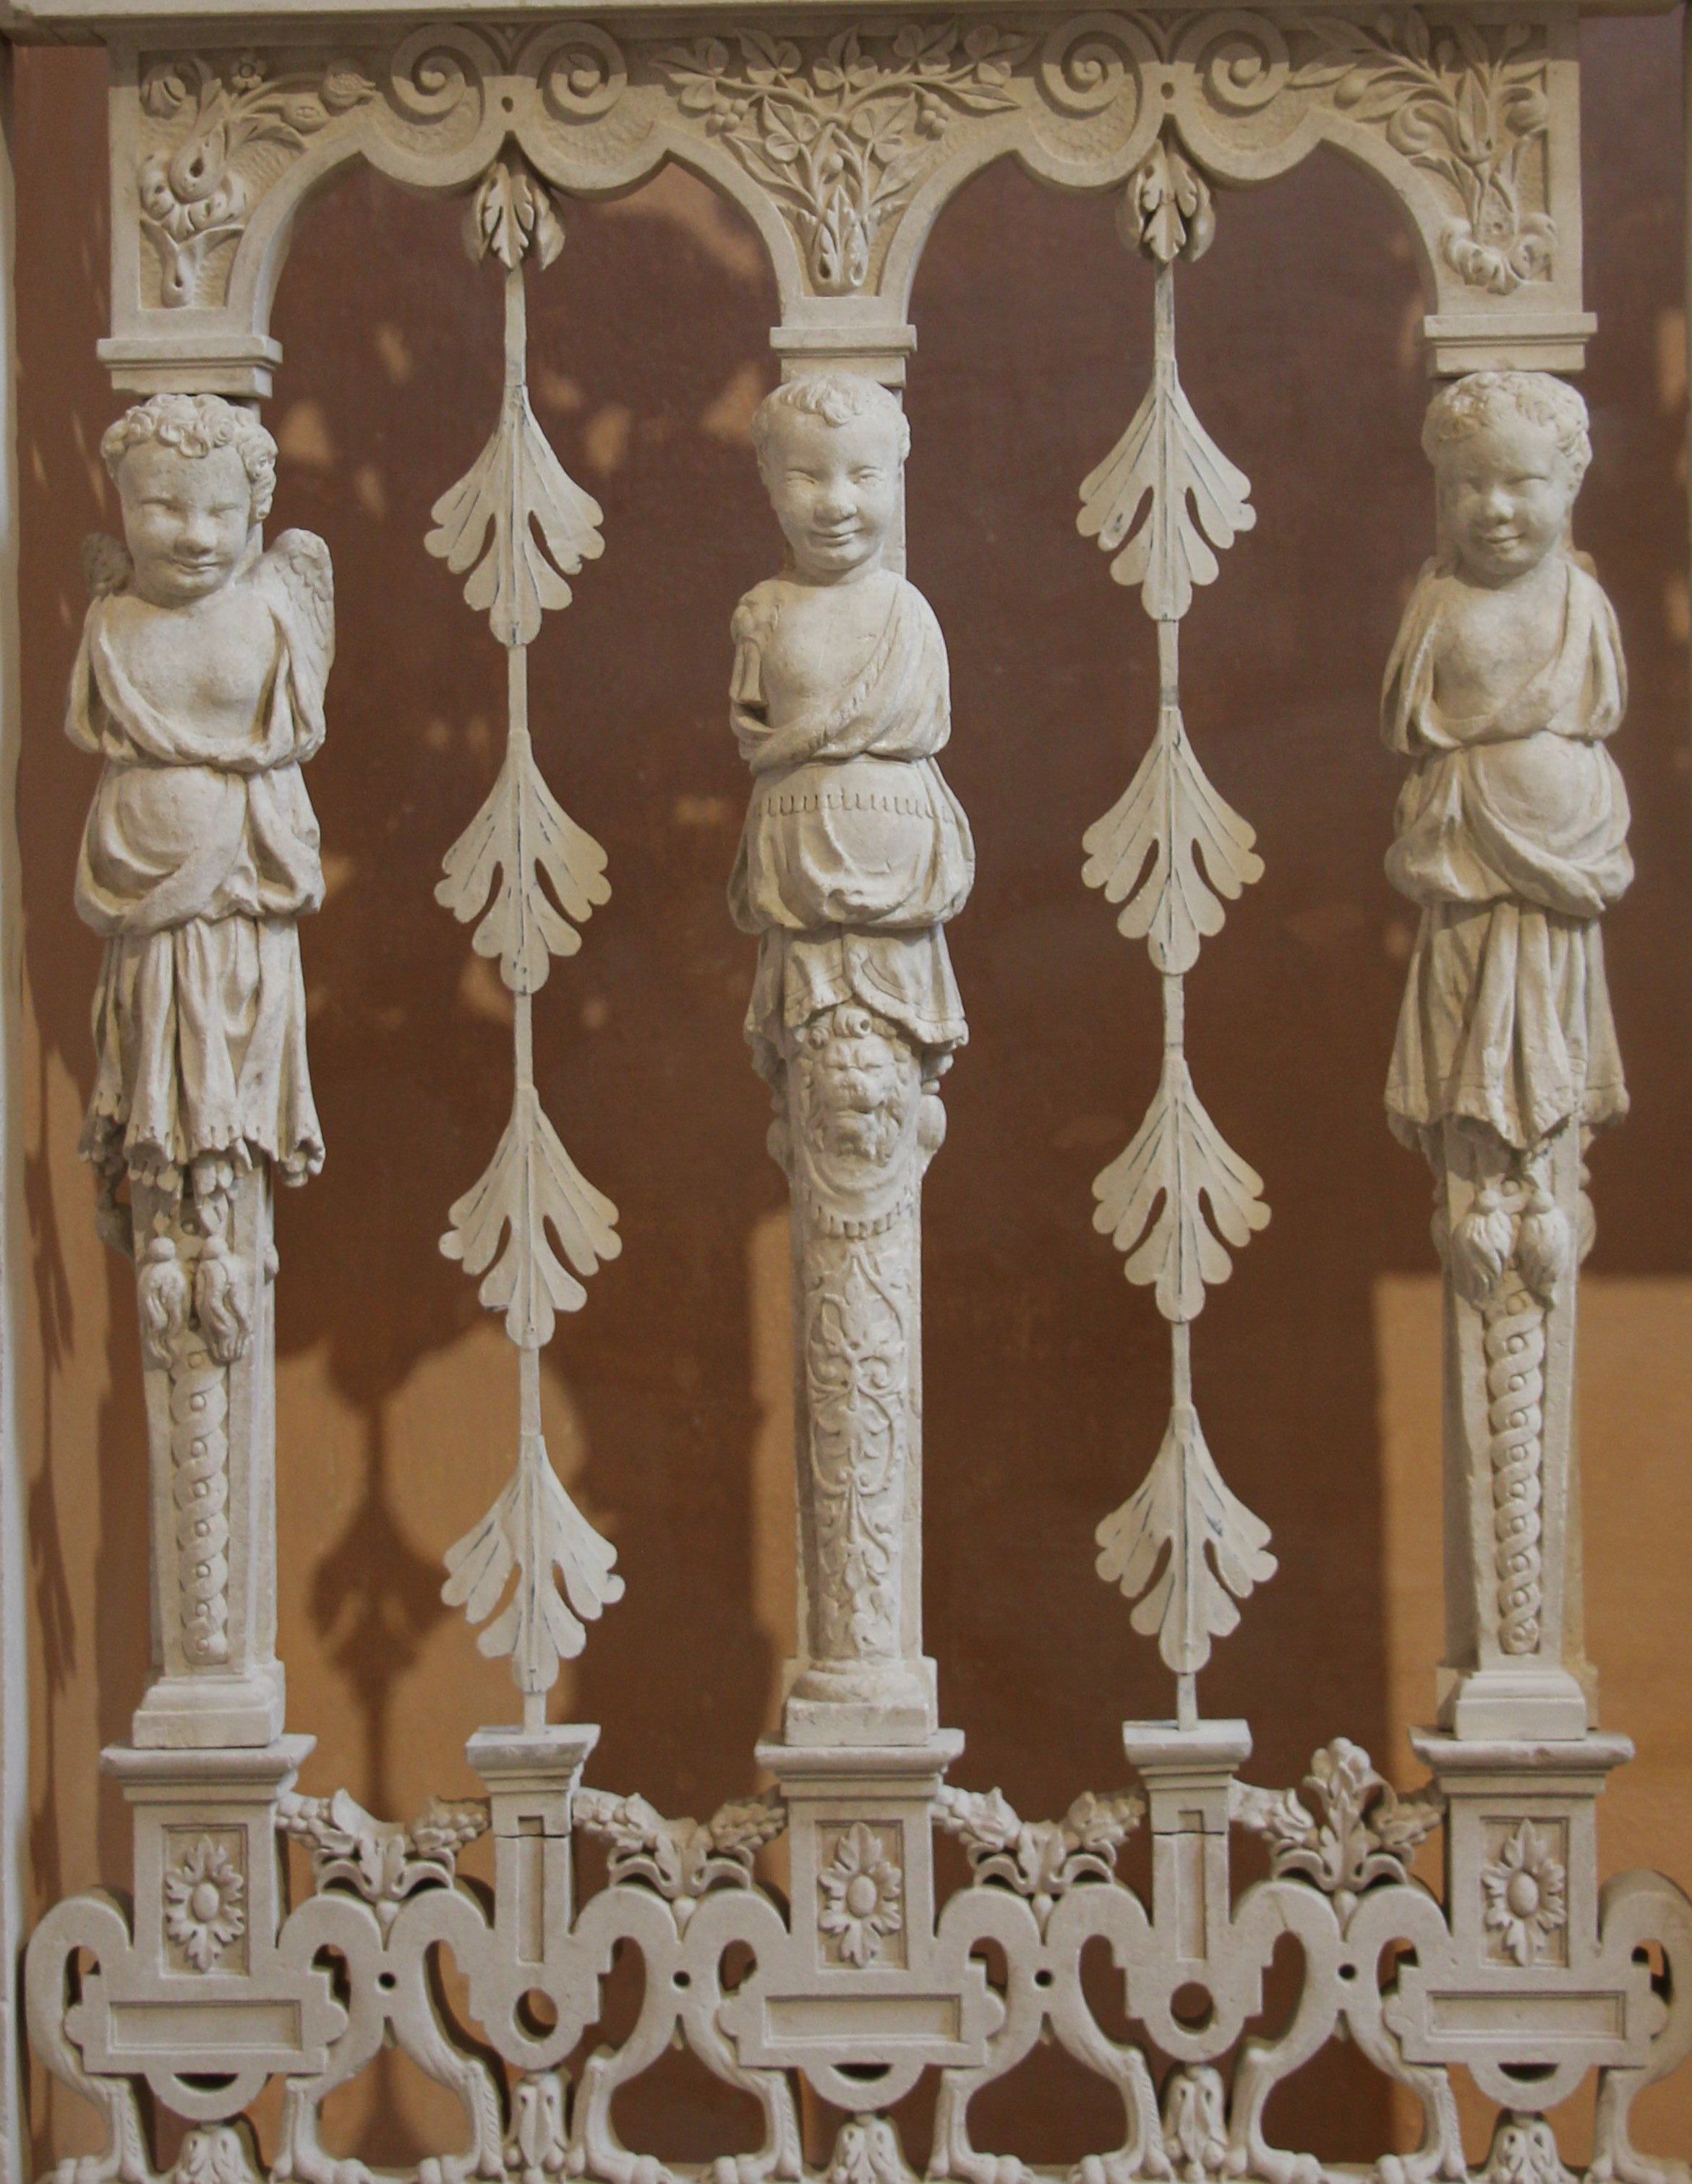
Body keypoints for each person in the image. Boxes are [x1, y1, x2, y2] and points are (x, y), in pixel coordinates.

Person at [69, 393, 333, 1219]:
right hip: (139, 879)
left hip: (246, 876)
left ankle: (222, 1197)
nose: (195, 535)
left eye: (221, 512)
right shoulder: (111, 617)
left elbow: (293, 738)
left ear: (254, 512)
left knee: (236, 1024)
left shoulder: (270, 608)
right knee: (151, 1033)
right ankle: (166, 1197)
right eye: (163, 507)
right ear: (122, 505)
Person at [1383, 370, 1630, 1162]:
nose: (1493, 509)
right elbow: (1408, 721)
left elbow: (1600, 712)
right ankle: (1482, 1159)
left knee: (1557, 1008)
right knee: (1462, 1009)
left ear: (1571, 483)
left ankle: (1542, 1160)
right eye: (1468, 485)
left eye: (1521, 484)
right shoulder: (1439, 601)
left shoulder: (1581, 600)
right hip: (1462, 842)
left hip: (1567, 847)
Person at [727, 372, 973, 1095]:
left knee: (890, 1072)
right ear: (769, 482)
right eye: (806, 477)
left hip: (902, 865)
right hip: (796, 858)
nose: (836, 503)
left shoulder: (909, 612)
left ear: (897, 479)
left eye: (864, 476)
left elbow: (927, 726)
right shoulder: (765, 611)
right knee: (813, 1064)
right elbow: (755, 730)